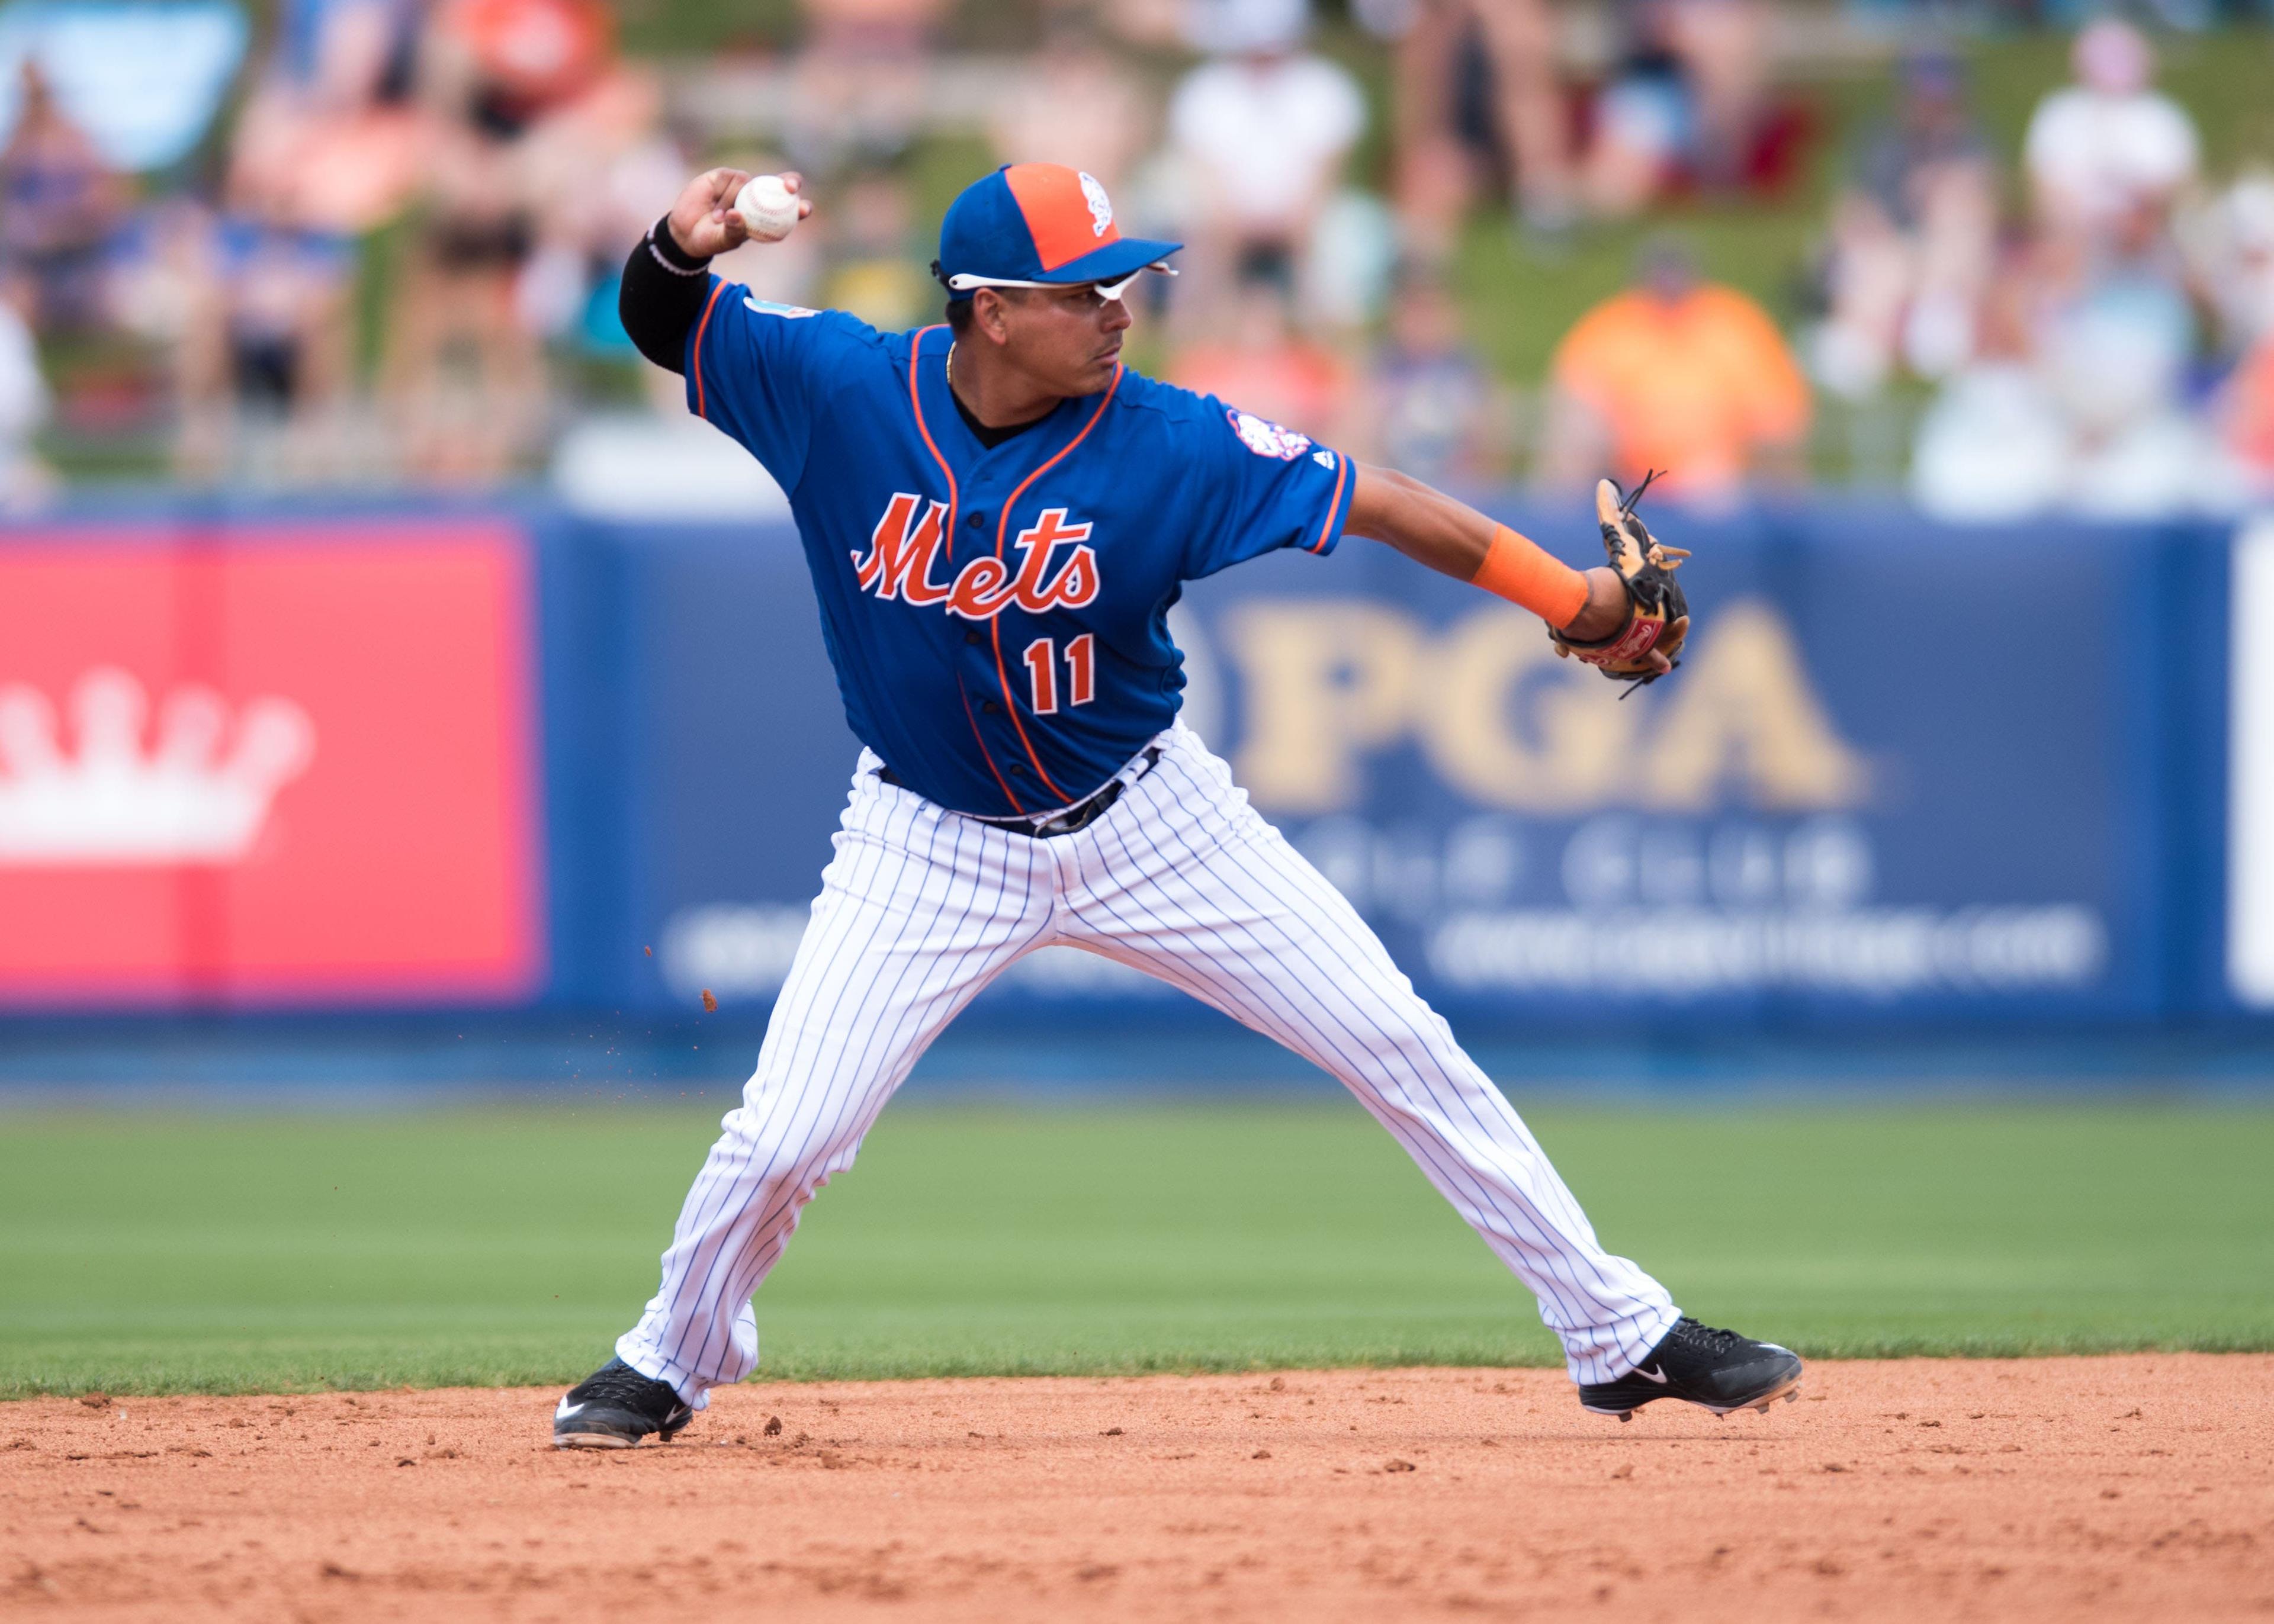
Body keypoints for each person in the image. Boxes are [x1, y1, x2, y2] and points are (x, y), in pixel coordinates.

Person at [548, 160, 1803, 1448]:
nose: (1120, 308)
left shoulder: (1173, 440)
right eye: (1086, 289)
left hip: (1155, 820)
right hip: (925, 837)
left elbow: (1381, 501)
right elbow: (670, 322)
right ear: (990, 311)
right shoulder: (843, 391)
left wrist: (1576, 601)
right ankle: (668, 1356)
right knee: (784, 1139)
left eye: (1125, 281)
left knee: (1399, 1043)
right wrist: (674, 244)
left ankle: (1617, 1334)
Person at [1543, 237, 1810, 504]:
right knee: (1575, 446)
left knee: (1740, 485)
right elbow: (1573, 408)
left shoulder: (1735, 325)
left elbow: (1779, 415)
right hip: (1624, 480)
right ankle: (1562, 533)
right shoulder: (1610, 328)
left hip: (1720, 486)